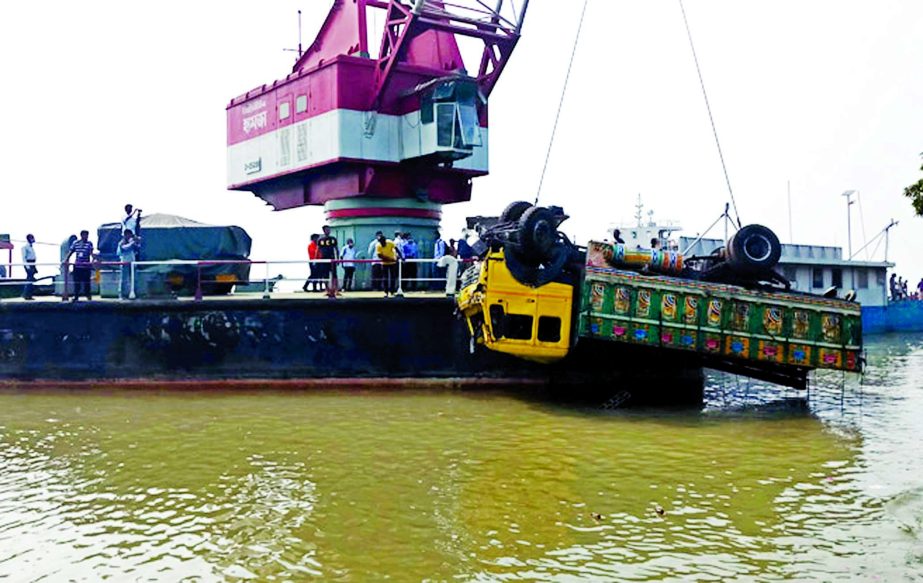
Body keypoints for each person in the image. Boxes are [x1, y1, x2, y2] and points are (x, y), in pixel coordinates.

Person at [66, 230, 95, 302]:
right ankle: (76, 296)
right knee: (77, 282)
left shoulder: (89, 243)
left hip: (86, 266)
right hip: (77, 266)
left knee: (87, 282)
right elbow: (71, 251)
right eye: (85, 235)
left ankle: (88, 296)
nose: (86, 237)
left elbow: (91, 253)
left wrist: (93, 260)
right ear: (81, 235)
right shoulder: (76, 243)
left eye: (87, 235)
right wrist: (66, 259)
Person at [118, 229, 141, 299]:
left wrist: (137, 241)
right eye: (127, 235)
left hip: (132, 263)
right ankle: (122, 295)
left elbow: (138, 248)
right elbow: (124, 248)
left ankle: (136, 294)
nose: (129, 236)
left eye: (130, 235)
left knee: (134, 279)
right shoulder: (122, 242)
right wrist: (131, 243)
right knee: (124, 280)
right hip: (124, 263)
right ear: (125, 235)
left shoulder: (133, 242)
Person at [317, 225, 339, 294]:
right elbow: (318, 250)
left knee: (334, 274)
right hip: (324, 259)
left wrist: (337, 258)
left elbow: (336, 249)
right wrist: (316, 260)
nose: (328, 231)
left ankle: (336, 289)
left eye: (329, 229)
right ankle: (327, 289)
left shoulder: (333, 239)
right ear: (323, 230)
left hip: (332, 258)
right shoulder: (320, 240)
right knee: (325, 275)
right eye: (326, 230)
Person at [21, 234, 37, 300]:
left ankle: (28, 294)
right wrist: (27, 267)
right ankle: (26, 295)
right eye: (32, 238)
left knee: (31, 279)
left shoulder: (31, 247)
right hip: (28, 263)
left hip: (32, 263)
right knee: (29, 279)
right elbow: (24, 258)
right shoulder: (25, 247)